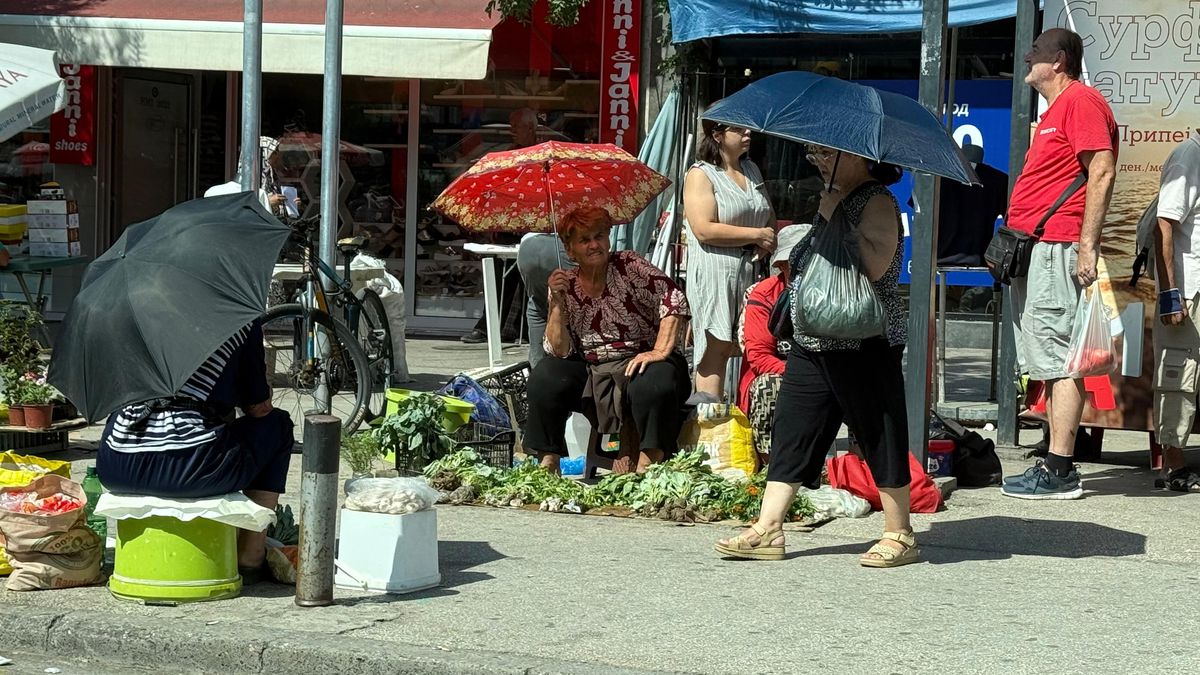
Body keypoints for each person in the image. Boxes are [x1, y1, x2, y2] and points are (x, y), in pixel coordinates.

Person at [715, 146, 916, 567]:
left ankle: (899, 531)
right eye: (815, 155)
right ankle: (769, 527)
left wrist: (838, 216)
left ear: (858, 157)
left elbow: (878, 268)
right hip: (814, 340)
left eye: (827, 154)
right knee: (794, 428)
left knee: (879, 431)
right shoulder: (834, 198)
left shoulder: (876, 199)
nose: (819, 161)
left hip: (863, 340)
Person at [1001, 27, 1118, 500]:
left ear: (1060, 61)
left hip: (1058, 246)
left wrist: (1086, 246)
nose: (1028, 57)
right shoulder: (1058, 110)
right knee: (1047, 359)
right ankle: (1056, 459)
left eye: (1037, 52)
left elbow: (1103, 169)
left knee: (1059, 360)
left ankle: (1060, 469)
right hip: (1037, 247)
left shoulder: (1081, 101)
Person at [96, 321, 294, 583]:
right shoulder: (237, 316)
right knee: (277, 425)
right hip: (191, 465)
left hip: (116, 461)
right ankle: (250, 554)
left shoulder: (134, 320)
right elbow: (258, 408)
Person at [524, 206, 691, 475]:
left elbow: (673, 299)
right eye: (584, 240)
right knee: (546, 375)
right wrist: (556, 303)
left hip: (642, 361)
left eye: (599, 236)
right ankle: (548, 462)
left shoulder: (629, 264)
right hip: (595, 371)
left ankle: (649, 466)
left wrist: (659, 351)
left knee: (654, 381)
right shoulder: (565, 284)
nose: (594, 245)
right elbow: (559, 350)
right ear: (570, 250)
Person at [682, 120, 776, 401]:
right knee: (717, 345)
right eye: (739, 129)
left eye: (748, 128)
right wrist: (756, 234)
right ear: (718, 135)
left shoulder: (751, 169)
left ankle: (743, 424)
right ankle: (710, 428)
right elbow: (703, 228)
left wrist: (767, 238)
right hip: (716, 269)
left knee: (753, 343)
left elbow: (766, 212)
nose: (748, 133)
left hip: (751, 271)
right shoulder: (701, 174)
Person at [460, 108, 540, 345]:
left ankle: (519, 329)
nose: (512, 131)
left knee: (528, 278)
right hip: (508, 222)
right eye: (511, 126)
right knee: (498, 273)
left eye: (516, 127)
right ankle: (488, 327)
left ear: (531, 129)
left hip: (532, 224)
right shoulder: (510, 154)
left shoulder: (539, 155)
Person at [1151, 130, 1200, 492]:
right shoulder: (1188, 155)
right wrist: (1171, 293)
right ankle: (1175, 466)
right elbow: (1163, 224)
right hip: (1189, 293)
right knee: (1178, 378)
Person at [736, 224, 809, 464]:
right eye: (792, 263)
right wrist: (802, 373)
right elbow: (758, 356)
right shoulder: (764, 294)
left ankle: (859, 466)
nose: (799, 269)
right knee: (769, 387)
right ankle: (772, 466)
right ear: (781, 266)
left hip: (824, 372)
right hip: (782, 374)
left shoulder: (833, 294)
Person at [516, 232, 572, 369]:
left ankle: (537, 367)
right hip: (560, 244)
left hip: (528, 246)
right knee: (572, 306)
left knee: (538, 305)